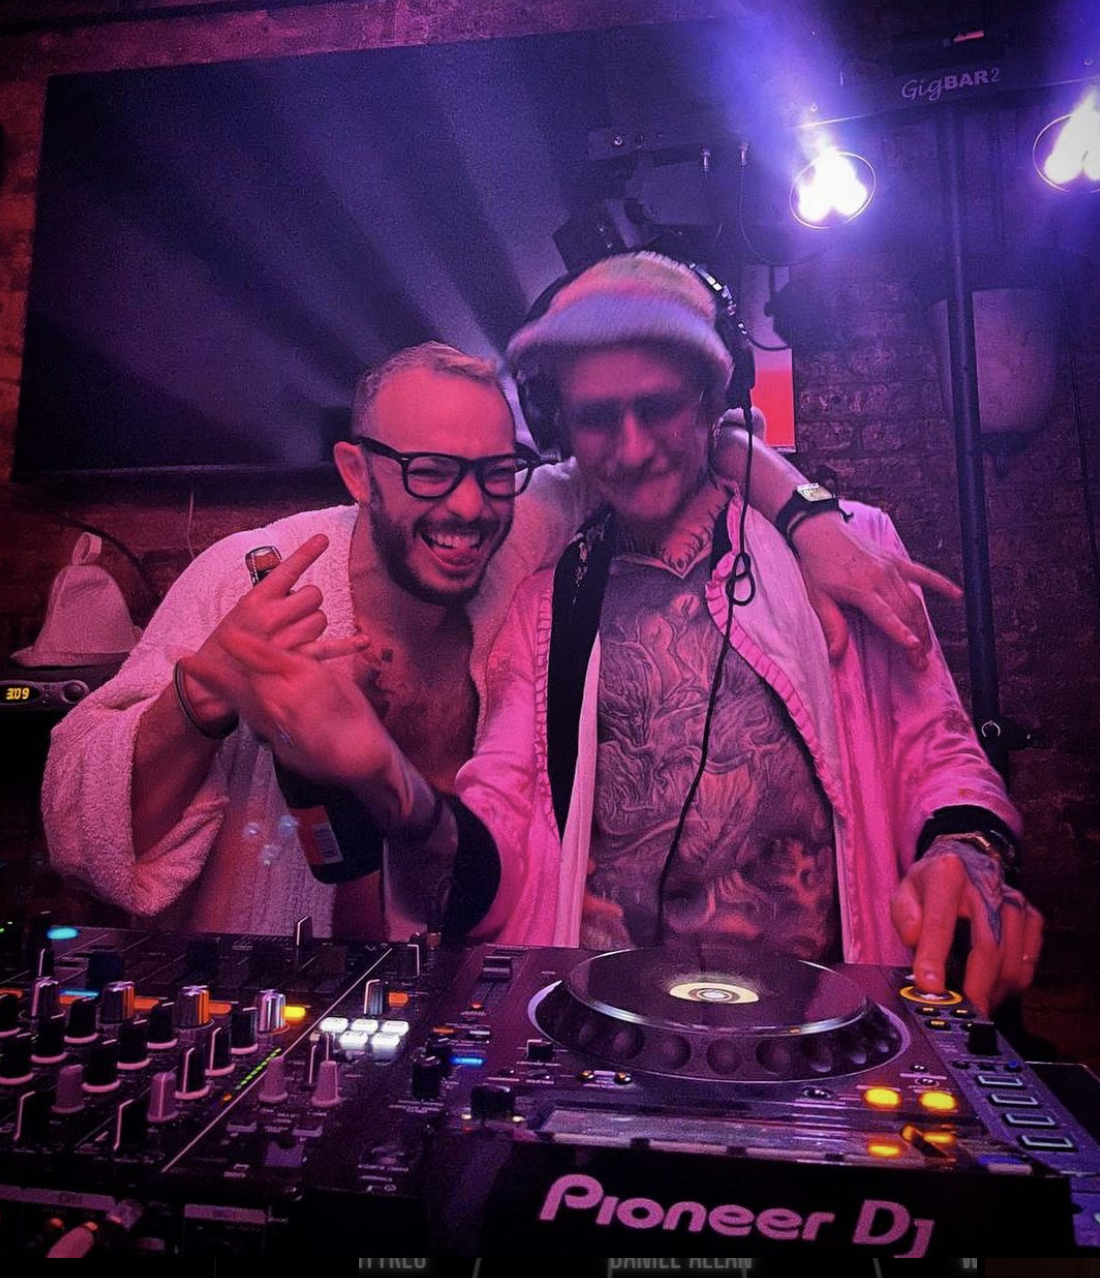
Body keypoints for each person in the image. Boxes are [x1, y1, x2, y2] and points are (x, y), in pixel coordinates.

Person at [216, 254, 1042, 1015]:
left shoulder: (850, 556)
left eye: (659, 408)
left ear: (713, 403)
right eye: (597, 418)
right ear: (561, 428)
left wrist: (966, 850)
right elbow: (500, 841)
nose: (632, 448)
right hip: (604, 1029)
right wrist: (385, 779)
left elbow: (936, 750)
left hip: (826, 1026)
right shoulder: (546, 608)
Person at [43, 334, 963, 942]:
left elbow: (666, 444)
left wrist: (810, 517)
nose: (467, 506)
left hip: (462, 1003)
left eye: (494, 470)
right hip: (277, 1008)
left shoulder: (518, 542)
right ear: (357, 472)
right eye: (430, 471)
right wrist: (199, 699)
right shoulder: (254, 577)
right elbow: (76, 828)